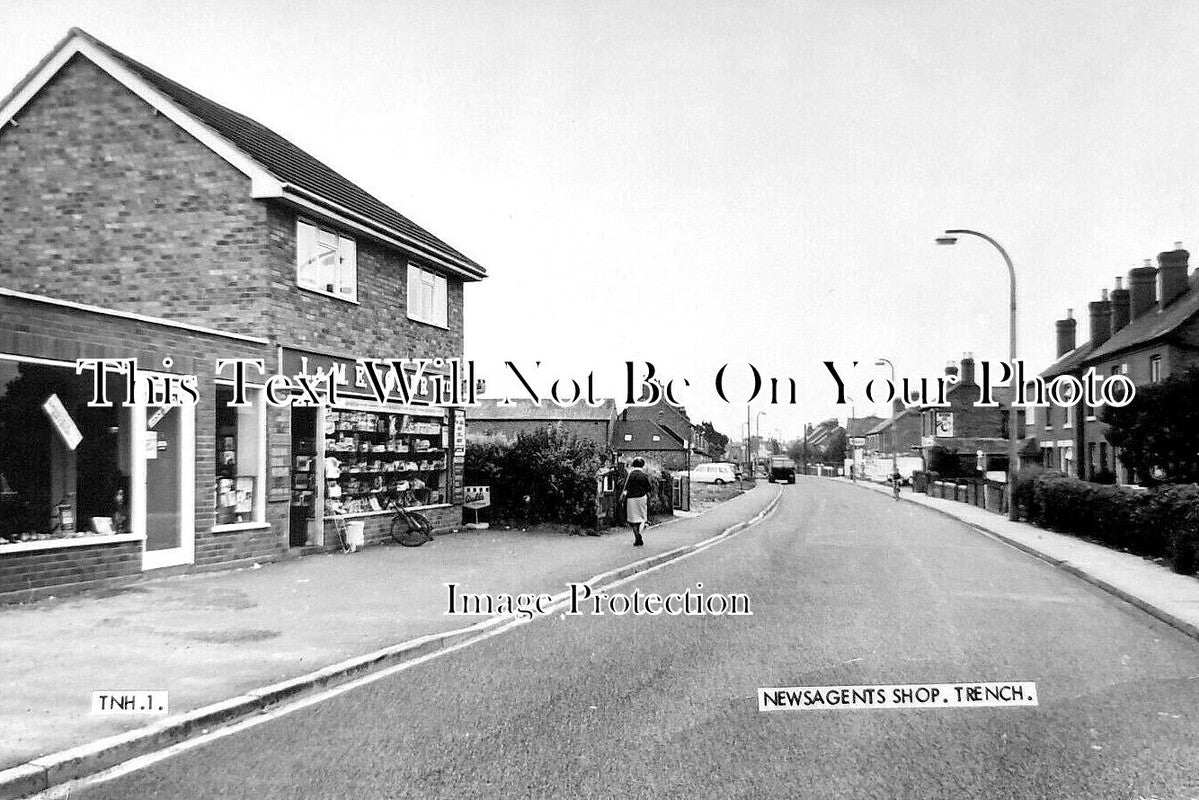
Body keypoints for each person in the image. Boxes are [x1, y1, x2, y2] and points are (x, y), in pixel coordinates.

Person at [620, 457, 652, 547]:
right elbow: (649, 488)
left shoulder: (630, 475)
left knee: (633, 520)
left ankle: (637, 537)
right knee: (642, 518)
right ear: (642, 465)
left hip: (631, 499)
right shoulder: (644, 476)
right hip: (641, 498)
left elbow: (626, 487)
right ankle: (640, 533)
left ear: (633, 465)